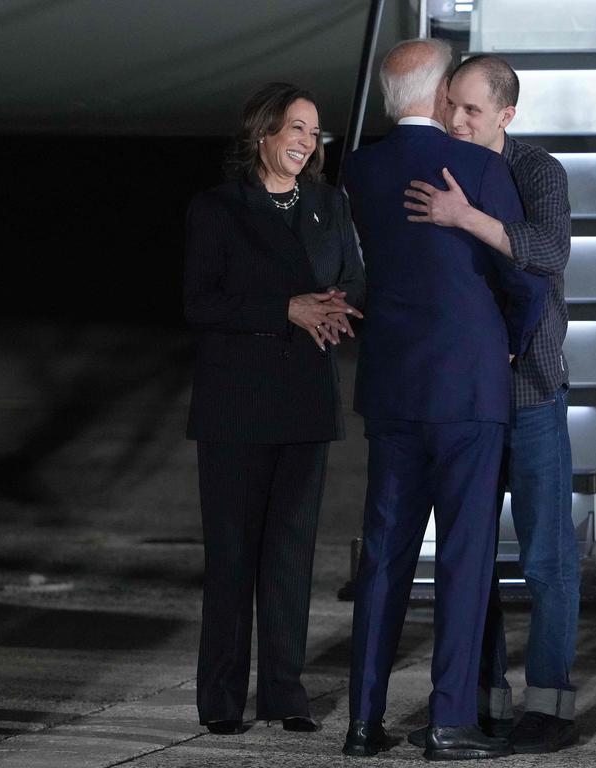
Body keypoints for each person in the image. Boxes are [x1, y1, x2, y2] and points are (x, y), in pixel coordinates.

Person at [341, 39, 547, 761]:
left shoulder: (359, 170)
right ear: (436, 99)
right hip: (467, 386)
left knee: (386, 557)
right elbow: (524, 281)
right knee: (465, 558)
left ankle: (363, 722)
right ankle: (449, 722)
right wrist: (509, 339)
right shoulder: (484, 169)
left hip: (393, 386)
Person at [403, 54, 578, 754]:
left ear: (506, 115)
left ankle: (551, 705)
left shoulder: (537, 171)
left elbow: (549, 251)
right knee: (472, 555)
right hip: (466, 395)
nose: (456, 119)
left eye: (472, 109)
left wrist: (464, 217)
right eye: (452, 105)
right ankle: (480, 697)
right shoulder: (444, 160)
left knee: (545, 557)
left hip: (531, 390)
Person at [183, 81, 365, 735]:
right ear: (262, 132)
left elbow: (353, 277)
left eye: (314, 132)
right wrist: (283, 309)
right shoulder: (217, 208)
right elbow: (199, 304)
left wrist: (335, 306)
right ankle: (221, 699)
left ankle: (285, 692)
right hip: (235, 405)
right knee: (232, 557)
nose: (306, 141)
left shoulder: (327, 203)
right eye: (295, 127)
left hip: (304, 400)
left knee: (290, 557)